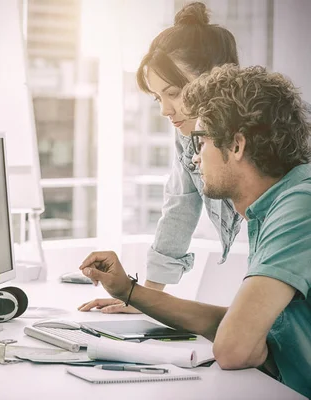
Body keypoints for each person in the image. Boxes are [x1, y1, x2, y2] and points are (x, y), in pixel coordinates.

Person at [80, 64, 311, 397]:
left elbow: (234, 348)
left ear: (236, 145)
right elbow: (232, 327)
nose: (193, 159)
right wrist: (128, 291)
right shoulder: (279, 203)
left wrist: (251, 342)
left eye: (200, 141)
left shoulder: (298, 207)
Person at [79, 2, 243, 314]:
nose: (165, 111)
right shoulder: (189, 134)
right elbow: (179, 206)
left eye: (174, 92)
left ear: (215, 79)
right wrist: (143, 299)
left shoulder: (268, 140)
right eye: (158, 97)